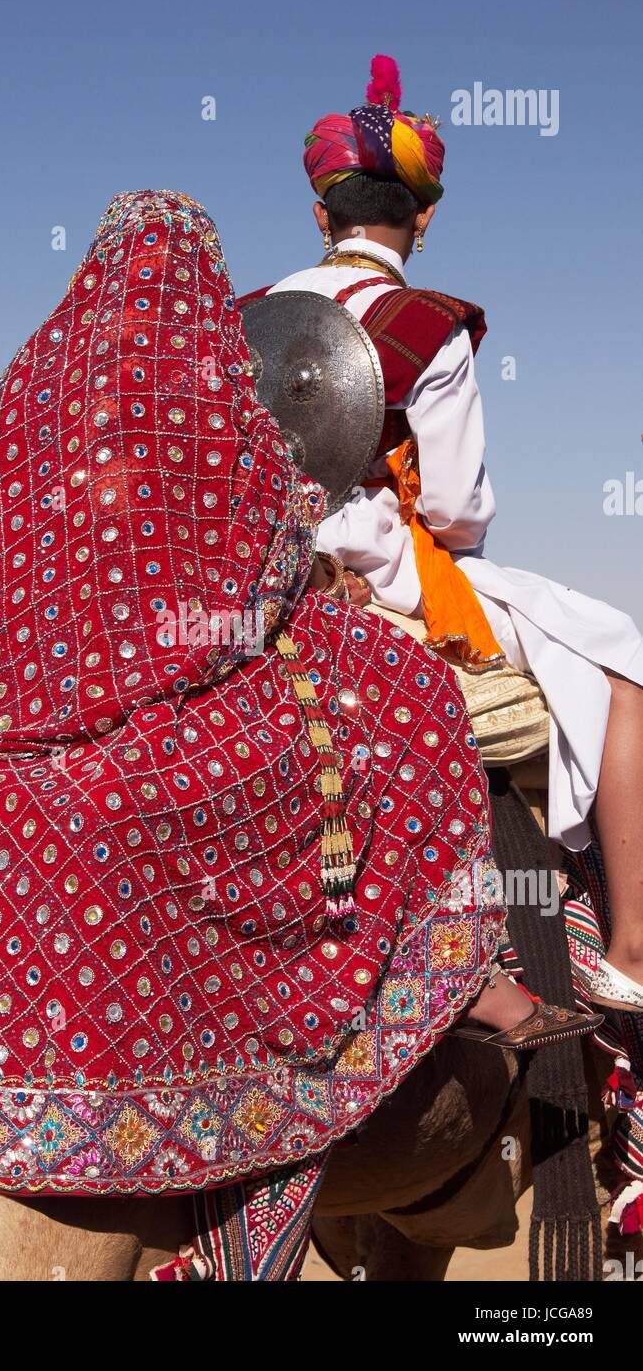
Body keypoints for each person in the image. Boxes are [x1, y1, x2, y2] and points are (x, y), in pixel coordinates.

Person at [0, 191, 597, 1279]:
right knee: (406, 695)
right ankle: (485, 977)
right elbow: (300, 539)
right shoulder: (225, 377)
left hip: (12, 708)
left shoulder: (21, 393)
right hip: (187, 669)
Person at [268, 55, 643, 1014]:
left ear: (320, 212)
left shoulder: (246, 320)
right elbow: (459, 509)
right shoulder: (424, 324)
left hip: (263, 589)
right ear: (424, 216)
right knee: (622, 675)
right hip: (391, 583)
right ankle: (635, 951)